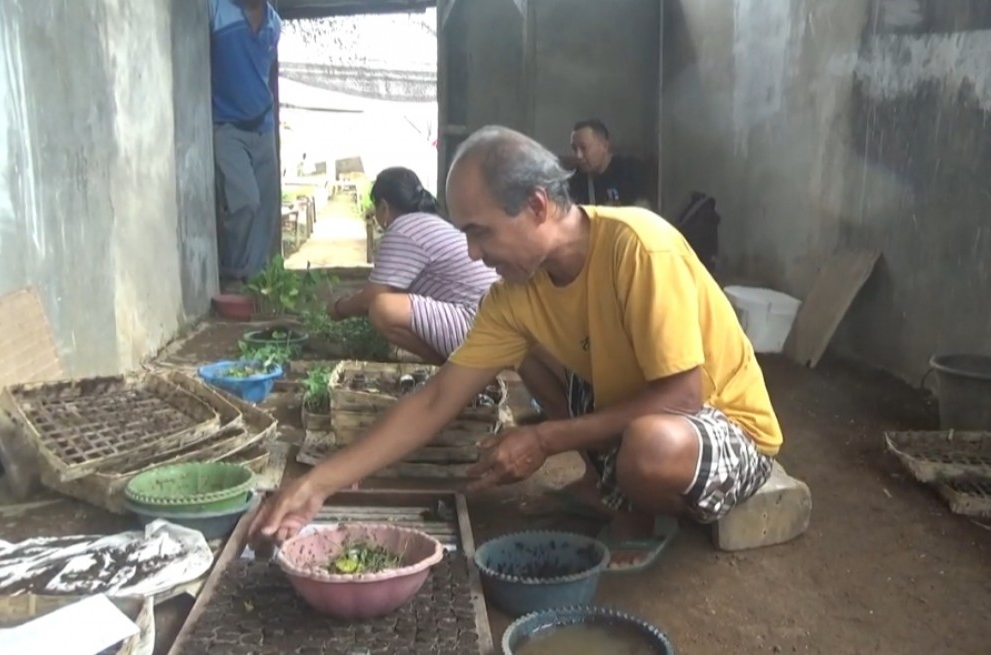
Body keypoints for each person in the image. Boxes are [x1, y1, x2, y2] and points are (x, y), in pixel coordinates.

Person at [251, 126, 784, 573]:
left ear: (536, 206)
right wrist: (319, 484)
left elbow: (683, 396)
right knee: (531, 361)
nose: (473, 254)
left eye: (481, 233)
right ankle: (615, 490)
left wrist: (546, 439)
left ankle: (636, 503)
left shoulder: (639, 247)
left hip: (722, 423)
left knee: (650, 448)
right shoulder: (514, 296)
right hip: (645, 407)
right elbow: (438, 400)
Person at [325, 167, 498, 364]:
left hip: (477, 326)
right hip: (491, 321)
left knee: (382, 309)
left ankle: (450, 366)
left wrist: (338, 309)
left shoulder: (402, 229)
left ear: (384, 207)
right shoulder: (430, 222)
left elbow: (371, 298)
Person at [210, 0, 282, 291]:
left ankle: (257, 279)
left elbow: (261, 72)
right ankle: (233, 273)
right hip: (227, 126)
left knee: (266, 207)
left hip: (263, 126)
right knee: (245, 200)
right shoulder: (215, 9)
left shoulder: (273, 24)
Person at [567, 119, 650, 208]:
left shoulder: (630, 172)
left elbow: (643, 210)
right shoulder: (575, 180)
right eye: (574, 149)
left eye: (583, 148)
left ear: (605, 146)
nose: (578, 156)